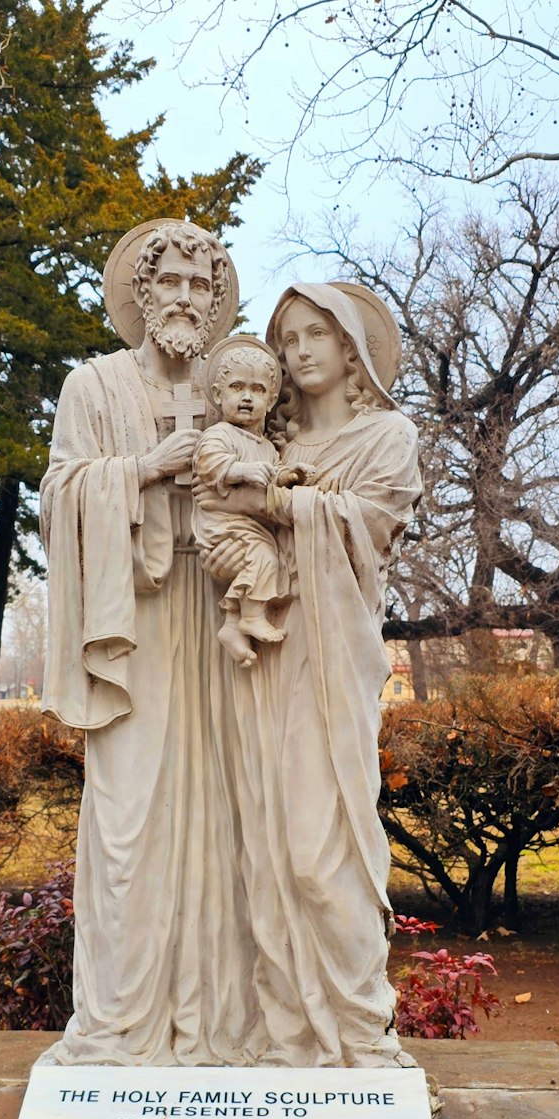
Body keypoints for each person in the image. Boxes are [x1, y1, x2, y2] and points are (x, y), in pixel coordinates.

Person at [38, 219, 259, 1066]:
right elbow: (60, 495)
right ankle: (121, 1022)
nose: (183, 299)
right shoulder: (93, 386)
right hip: (134, 624)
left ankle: (221, 1019)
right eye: (168, 283)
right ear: (140, 294)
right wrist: (141, 469)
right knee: (131, 817)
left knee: (225, 814)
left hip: (219, 620)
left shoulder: (239, 385)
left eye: (201, 288)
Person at [215, 281, 423, 1067]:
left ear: (350, 348)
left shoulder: (387, 436)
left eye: (314, 335)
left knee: (319, 844)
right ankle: (292, 1031)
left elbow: (369, 526)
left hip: (331, 655)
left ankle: (360, 1030)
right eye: (287, 338)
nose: (299, 351)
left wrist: (280, 506)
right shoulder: (270, 446)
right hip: (261, 658)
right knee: (266, 848)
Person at [192, 335, 306, 667]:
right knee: (264, 559)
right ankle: (253, 616)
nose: (246, 397)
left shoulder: (267, 447)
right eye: (236, 387)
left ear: (271, 400)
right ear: (218, 394)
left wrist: (288, 474)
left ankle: (231, 625)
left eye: (257, 390)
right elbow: (209, 463)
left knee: (265, 560)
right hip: (221, 526)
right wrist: (240, 469)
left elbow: (274, 472)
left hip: (247, 526)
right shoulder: (218, 435)